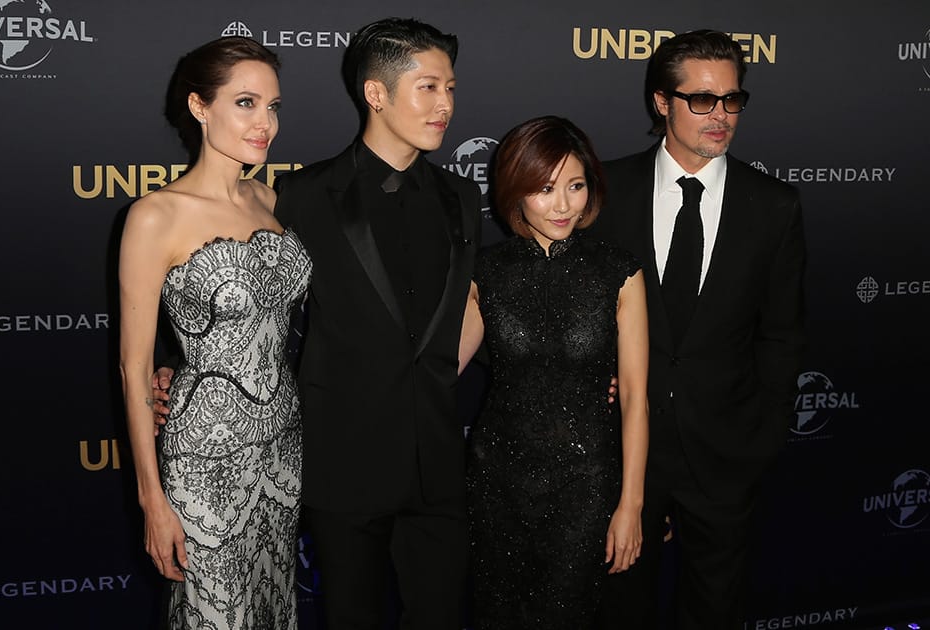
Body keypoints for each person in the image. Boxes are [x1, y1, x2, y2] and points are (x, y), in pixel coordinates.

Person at [155, 18, 481, 629]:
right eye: (430, 87)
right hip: (342, 461)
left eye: (452, 89)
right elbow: (230, 287)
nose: (446, 105)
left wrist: (436, 376)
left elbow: (469, 307)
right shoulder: (301, 196)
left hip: (437, 459)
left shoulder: (462, 197)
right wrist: (175, 366)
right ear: (376, 93)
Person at [588, 30, 806, 629]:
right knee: (619, 610)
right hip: (623, 453)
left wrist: (762, 437)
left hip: (727, 455)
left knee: (715, 613)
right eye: (702, 100)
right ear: (662, 101)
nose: (721, 117)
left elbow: (782, 336)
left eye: (733, 100)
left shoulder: (773, 206)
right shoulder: (603, 192)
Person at [118, 37, 311, 629]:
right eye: (247, 103)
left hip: (282, 446)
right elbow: (133, 367)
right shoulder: (156, 215)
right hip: (205, 456)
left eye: (274, 106)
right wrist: (153, 499)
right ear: (200, 107)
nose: (266, 124)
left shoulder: (269, 198)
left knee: (274, 609)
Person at [457, 116, 649, 628]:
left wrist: (630, 505)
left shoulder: (619, 272)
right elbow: (439, 369)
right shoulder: (487, 272)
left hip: (586, 486)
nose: (564, 204)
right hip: (497, 482)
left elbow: (634, 397)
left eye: (576, 186)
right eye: (544, 188)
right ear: (516, 191)